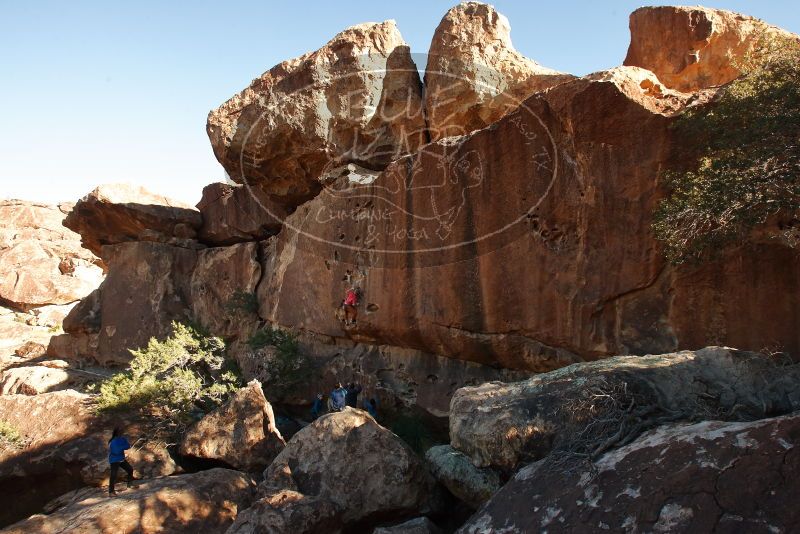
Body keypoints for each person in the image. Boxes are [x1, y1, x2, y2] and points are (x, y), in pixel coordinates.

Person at [108, 427, 136, 496]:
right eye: (120, 432)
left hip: (121, 459)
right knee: (113, 475)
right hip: (114, 460)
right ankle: (111, 492)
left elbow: (128, 446)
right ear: (117, 433)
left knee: (130, 469)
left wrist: (121, 447)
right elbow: (116, 451)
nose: (122, 433)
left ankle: (130, 484)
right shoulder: (113, 441)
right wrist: (122, 447)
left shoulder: (122, 439)